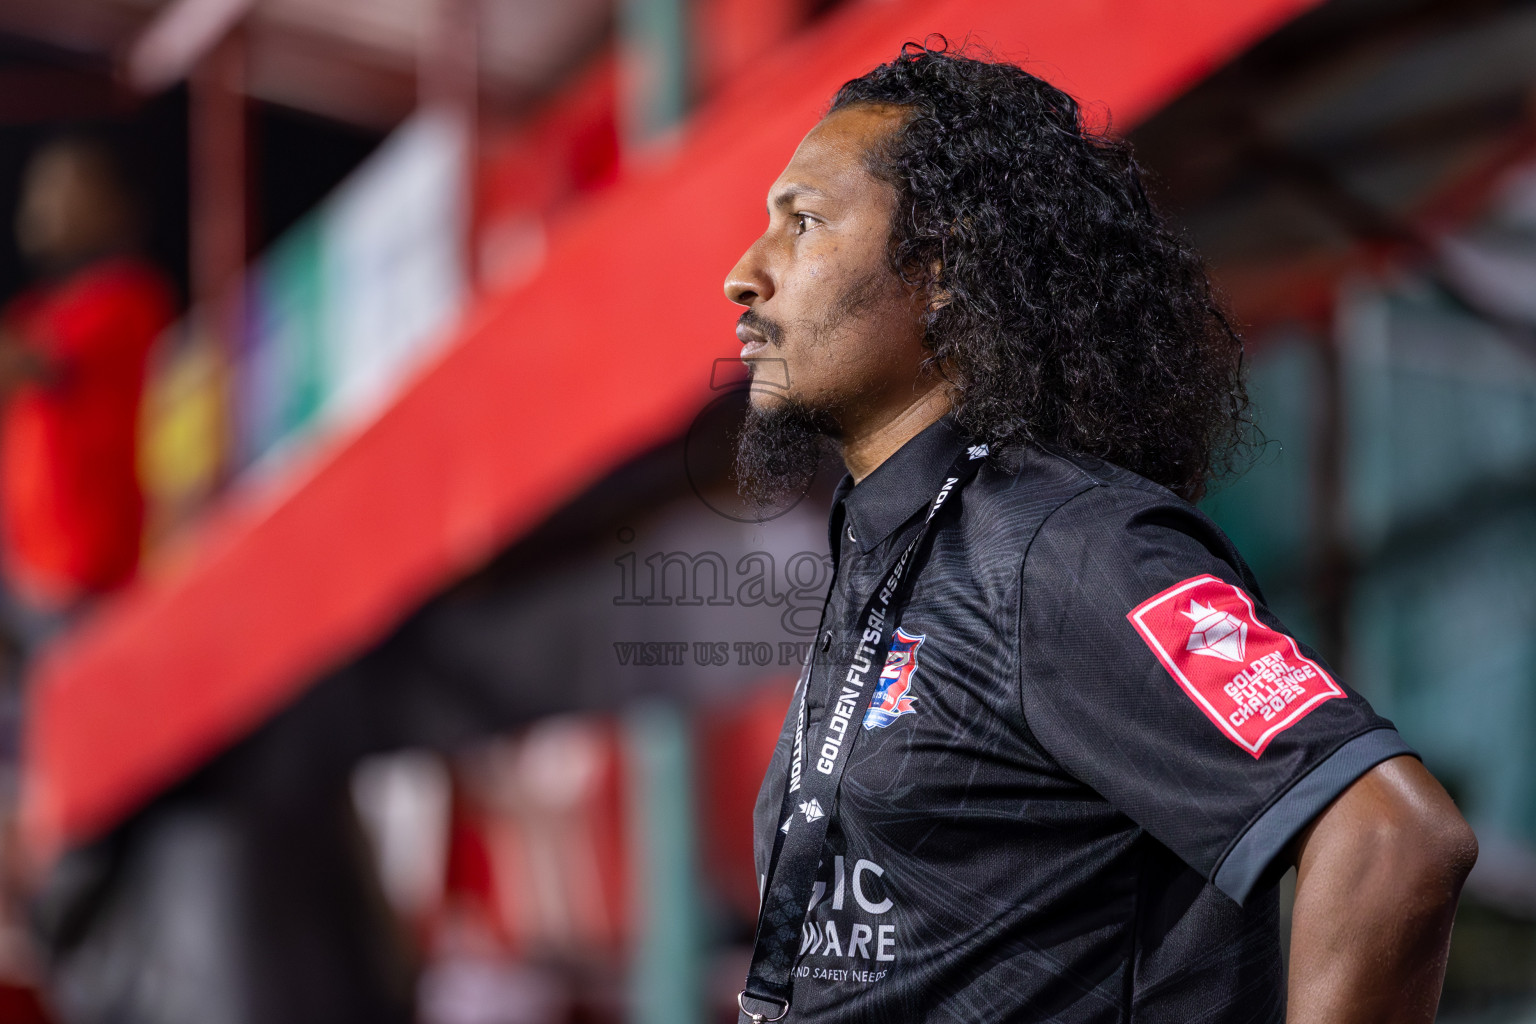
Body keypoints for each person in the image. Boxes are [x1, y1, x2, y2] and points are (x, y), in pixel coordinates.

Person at [725, 44, 1476, 1024]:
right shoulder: (901, 553)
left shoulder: (1060, 546)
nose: (744, 276)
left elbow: (1392, 841)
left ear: (942, 268)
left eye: (805, 222)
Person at [0, 133, 173, 640]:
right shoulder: (33, 314)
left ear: (115, 207)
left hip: (101, 572)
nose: (44, 203)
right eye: (41, 190)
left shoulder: (129, 295)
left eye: (66, 188)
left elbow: (26, 365)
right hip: (32, 578)